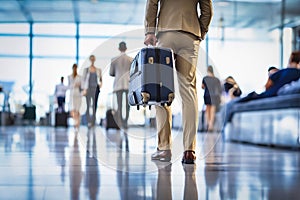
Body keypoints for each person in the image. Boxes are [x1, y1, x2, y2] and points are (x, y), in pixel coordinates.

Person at [144, 0, 213, 164]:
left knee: (162, 90)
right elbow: (207, 9)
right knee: (189, 91)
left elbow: (152, 3)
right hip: (190, 35)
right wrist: (200, 31)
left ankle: (164, 148)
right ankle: (190, 150)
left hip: (166, 33)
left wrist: (149, 31)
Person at [110, 41, 133, 129]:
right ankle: (125, 122)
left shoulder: (114, 60)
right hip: (128, 84)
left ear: (119, 49)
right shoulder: (131, 59)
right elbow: (132, 73)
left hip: (118, 84)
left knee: (119, 105)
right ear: (126, 48)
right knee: (127, 105)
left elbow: (111, 73)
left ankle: (120, 123)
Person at [82, 55, 103, 128]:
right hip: (88, 89)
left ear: (95, 59)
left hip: (96, 89)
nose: (92, 60)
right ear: (90, 60)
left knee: (95, 105)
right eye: (91, 59)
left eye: (93, 59)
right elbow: (84, 80)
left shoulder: (98, 70)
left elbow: (100, 79)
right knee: (88, 106)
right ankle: (89, 122)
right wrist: (84, 90)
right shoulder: (86, 70)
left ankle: (93, 122)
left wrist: (100, 85)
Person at [202, 66, 222, 132]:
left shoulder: (205, 78)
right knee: (212, 111)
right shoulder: (216, 79)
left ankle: (208, 124)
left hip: (207, 95)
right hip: (214, 96)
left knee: (207, 110)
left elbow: (202, 87)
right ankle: (211, 125)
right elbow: (219, 89)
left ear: (208, 70)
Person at [68, 64, 82, 130]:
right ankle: (75, 122)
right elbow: (69, 86)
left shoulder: (80, 77)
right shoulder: (69, 77)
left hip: (78, 94)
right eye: (74, 68)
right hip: (72, 95)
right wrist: (74, 85)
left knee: (77, 110)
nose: (75, 69)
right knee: (73, 110)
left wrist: (76, 85)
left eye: (76, 68)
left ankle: (77, 123)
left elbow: (81, 85)